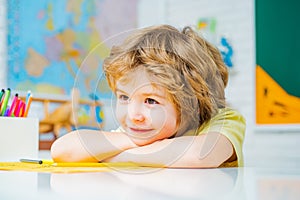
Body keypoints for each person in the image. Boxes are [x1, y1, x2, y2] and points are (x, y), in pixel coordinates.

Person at [51, 24, 246, 168]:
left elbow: (201, 154)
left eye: (151, 101)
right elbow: (63, 150)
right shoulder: (139, 132)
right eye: (124, 98)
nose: (133, 114)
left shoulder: (223, 120)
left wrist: (120, 155)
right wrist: (135, 143)